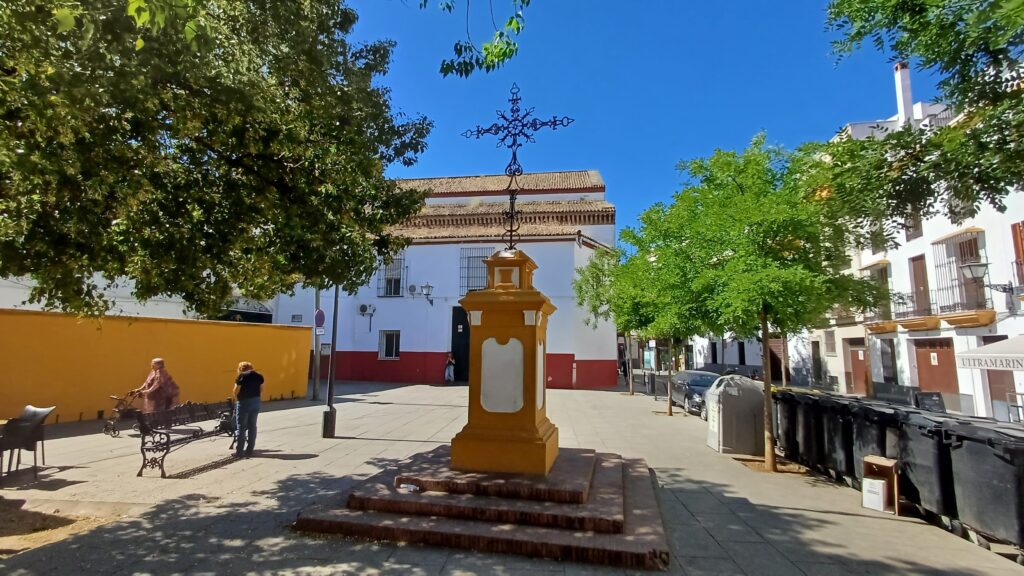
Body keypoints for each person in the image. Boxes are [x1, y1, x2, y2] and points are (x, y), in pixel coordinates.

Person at [233, 361, 264, 458]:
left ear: (241, 369)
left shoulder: (241, 376)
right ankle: (250, 449)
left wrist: (237, 398)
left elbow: (236, 390)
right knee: (252, 426)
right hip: (256, 402)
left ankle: (239, 451)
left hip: (244, 402)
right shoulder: (259, 376)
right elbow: (261, 389)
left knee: (241, 427)